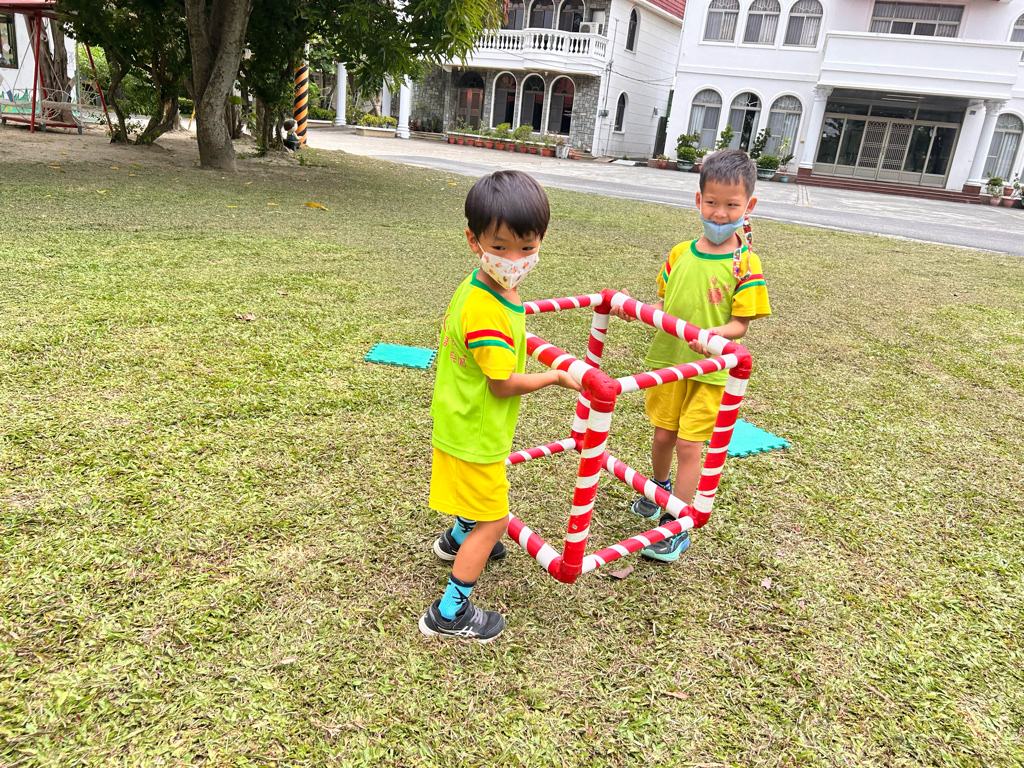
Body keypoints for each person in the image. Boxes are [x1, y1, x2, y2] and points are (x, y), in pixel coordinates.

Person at [419, 171, 580, 643]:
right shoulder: (486, 309)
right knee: (495, 520)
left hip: (462, 420)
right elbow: (503, 383)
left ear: (541, 240)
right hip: (475, 431)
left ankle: (456, 540)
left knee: (478, 505)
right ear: (474, 241)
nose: (514, 260)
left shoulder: (482, 286)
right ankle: (449, 613)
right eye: (500, 247)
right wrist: (555, 375)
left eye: (526, 248)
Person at [613, 149, 771, 562]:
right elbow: (664, 309)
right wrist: (633, 309)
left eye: (732, 205)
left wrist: (714, 336)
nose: (719, 214)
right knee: (662, 435)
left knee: (688, 445)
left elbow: (740, 325)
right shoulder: (679, 253)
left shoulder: (745, 263)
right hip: (668, 363)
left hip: (710, 372)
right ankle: (659, 488)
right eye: (712, 202)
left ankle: (676, 524)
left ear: (749, 206)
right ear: (698, 199)